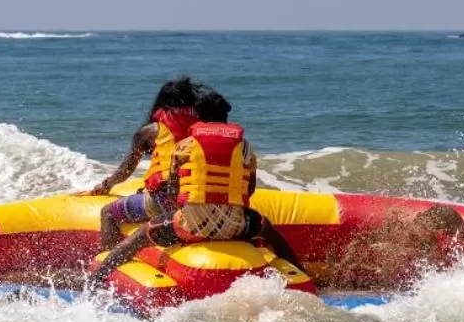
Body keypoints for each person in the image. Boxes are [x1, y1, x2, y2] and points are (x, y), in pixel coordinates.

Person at [89, 89, 309, 285]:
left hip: (191, 225)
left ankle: (98, 278)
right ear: (226, 117)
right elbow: (248, 191)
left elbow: (176, 193)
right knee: (268, 229)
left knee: (140, 236)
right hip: (237, 225)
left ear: (199, 118)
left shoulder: (185, 146)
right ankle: (304, 276)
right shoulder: (245, 148)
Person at [90, 77, 200, 252]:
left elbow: (126, 170)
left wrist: (105, 185)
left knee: (108, 213)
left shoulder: (151, 131)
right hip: (199, 199)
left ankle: (108, 262)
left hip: (166, 201)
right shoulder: (204, 127)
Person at [323, 204, 464, 291]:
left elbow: (438, 266)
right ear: (438, 229)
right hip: (358, 270)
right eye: (445, 233)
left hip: (370, 274)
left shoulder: (426, 240)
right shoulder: (403, 229)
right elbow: (367, 244)